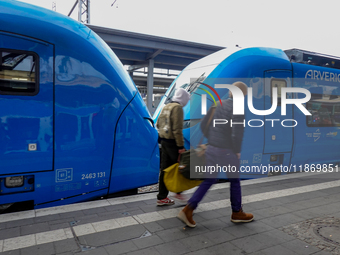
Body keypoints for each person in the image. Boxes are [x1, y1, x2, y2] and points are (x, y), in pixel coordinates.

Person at [177, 81, 254, 227]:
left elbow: (203, 124)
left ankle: (188, 209)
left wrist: (211, 140)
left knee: (209, 179)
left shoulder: (218, 104)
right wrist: (237, 151)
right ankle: (237, 212)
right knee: (235, 181)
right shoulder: (237, 108)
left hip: (212, 148)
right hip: (226, 151)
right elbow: (237, 133)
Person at [156, 88, 190, 206]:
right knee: (180, 167)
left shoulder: (167, 106)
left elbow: (157, 124)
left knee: (165, 170)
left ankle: (162, 197)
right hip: (173, 143)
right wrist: (181, 146)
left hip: (164, 142)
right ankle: (178, 192)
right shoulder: (178, 108)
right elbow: (177, 129)